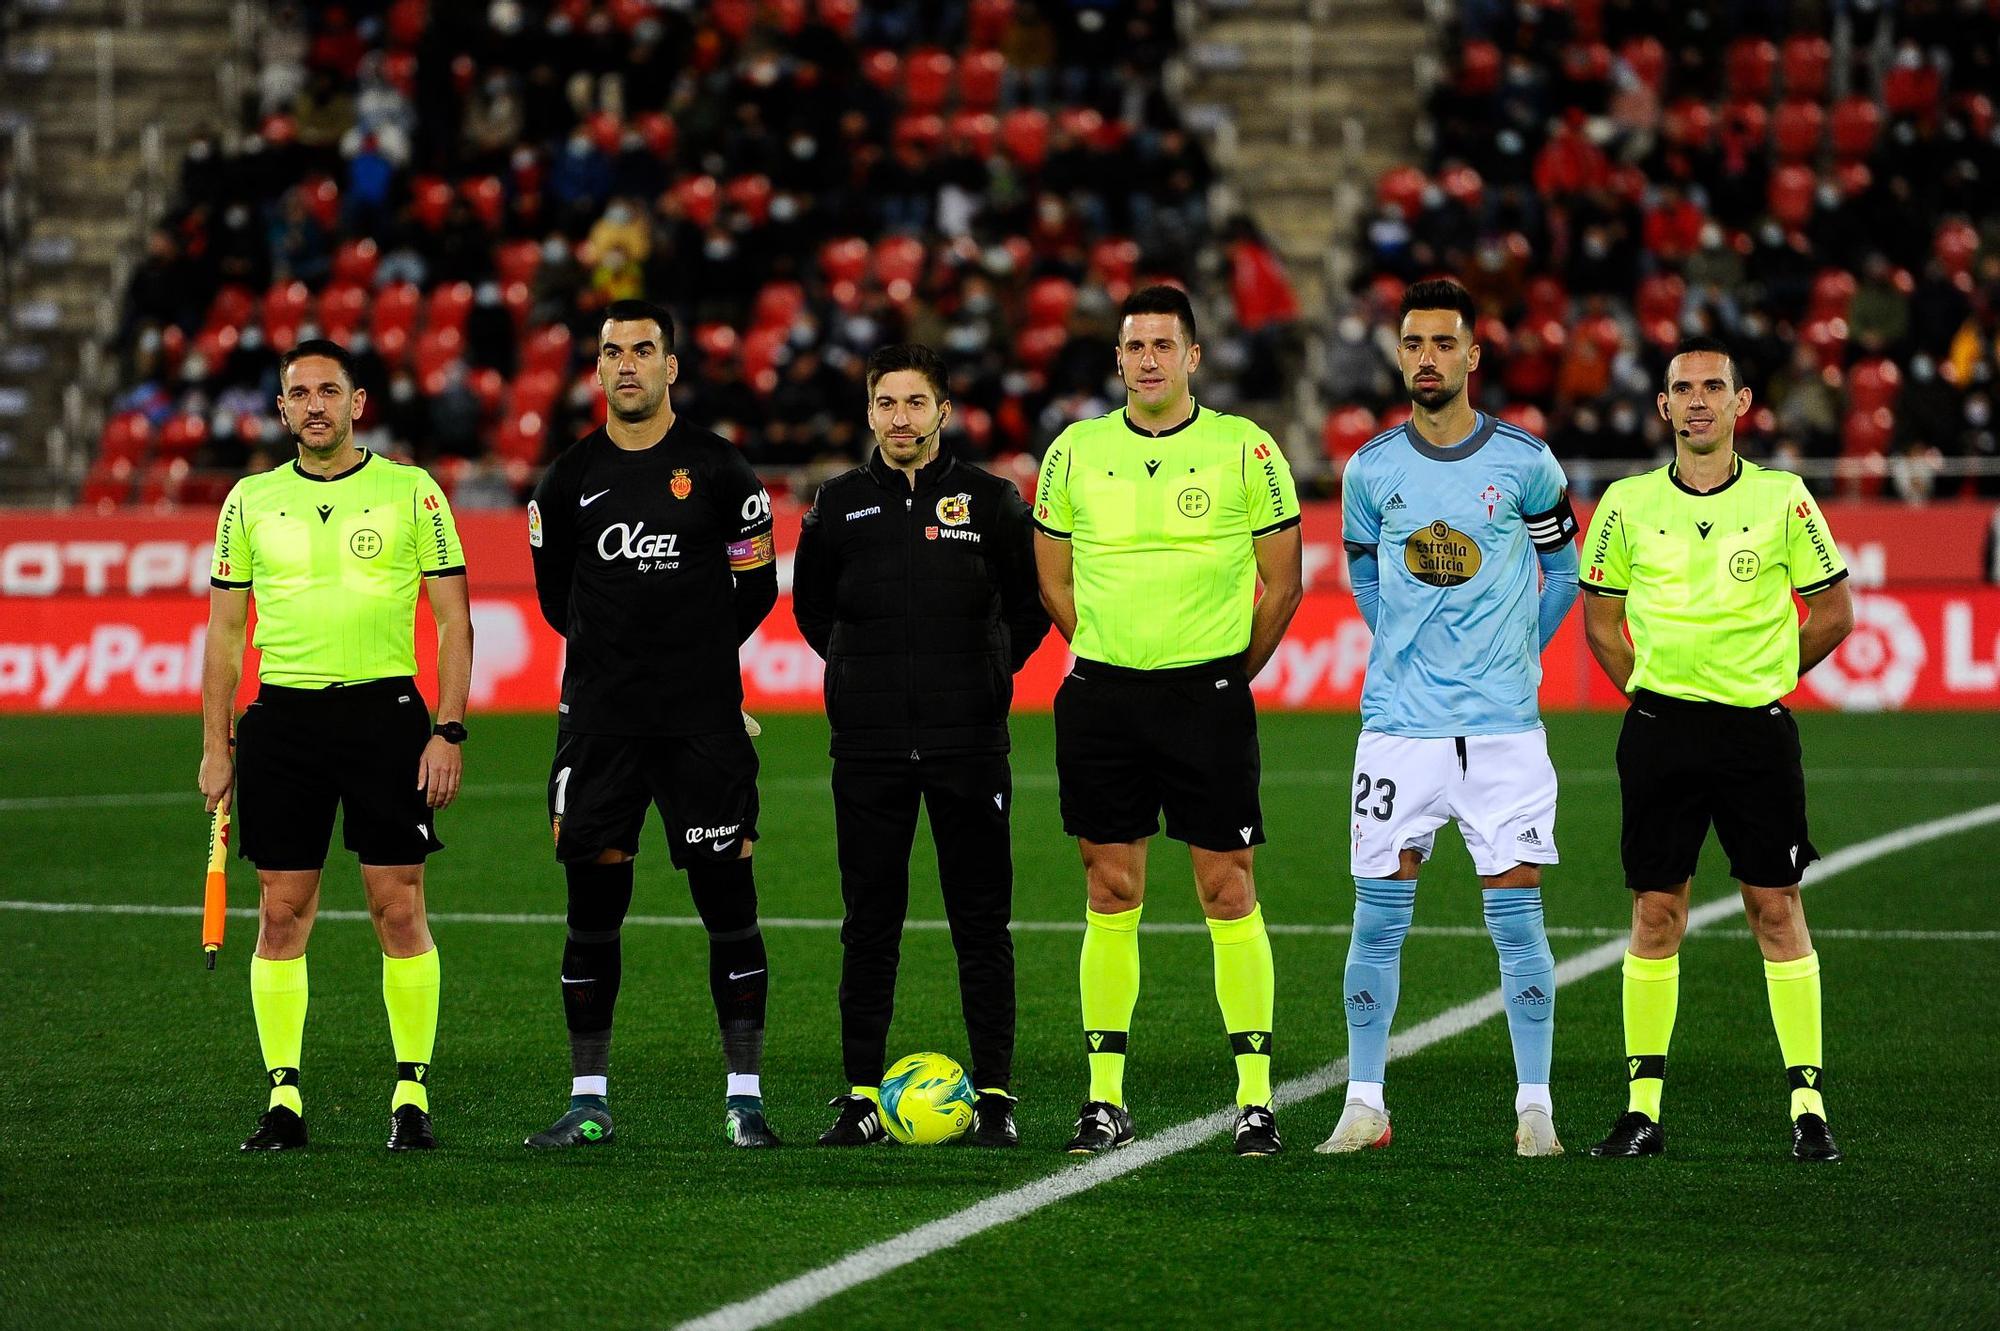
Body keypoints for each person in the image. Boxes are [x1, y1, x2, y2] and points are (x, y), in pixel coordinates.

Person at [1032, 285, 1305, 1157]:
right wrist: (1113, 653)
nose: (1147, 358)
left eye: (1163, 344)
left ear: (1193, 356)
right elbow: (1053, 580)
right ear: (1117, 359)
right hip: (1103, 697)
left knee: (1227, 887)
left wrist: (1226, 673)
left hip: (1207, 699)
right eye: (1133, 345)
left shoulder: (1245, 449)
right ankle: (1103, 1097)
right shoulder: (1074, 452)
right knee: (1109, 889)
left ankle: (1255, 1100)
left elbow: (1284, 582)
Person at [1581, 336, 1855, 1162]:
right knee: (1654, 911)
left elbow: (1834, 612)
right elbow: (1600, 621)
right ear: (1662, 406)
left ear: (1741, 404)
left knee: (1776, 908)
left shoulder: (1784, 498)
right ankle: (1641, 1110)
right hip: (1661, 732)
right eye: (1681, 389)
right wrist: (1652, 691)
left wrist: (1766, 675)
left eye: (1713, 387)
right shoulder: (1626, 503)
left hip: (1754, 733)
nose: (1697, 400)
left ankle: (1808, 1106)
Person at [1323, 279, 1580, 1159]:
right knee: (1377, 918)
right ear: (1399, 355)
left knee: (1518, 920)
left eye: (1443, 343)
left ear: (1474, 354)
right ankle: (1364, 1103)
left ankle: (1535, 1106)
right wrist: (1398, 637)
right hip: (1400, 728)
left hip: (1504, 728)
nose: (1427, 358)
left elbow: (1566, 569)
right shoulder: (1370, 469)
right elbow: (1363, 571)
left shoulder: (1526, 462)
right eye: (1413, 343)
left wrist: (1523, 653)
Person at [199, 338, 473, 1153]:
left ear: (359, 403)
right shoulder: (248, 500)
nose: (313, 404)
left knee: (399, 905)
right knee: (280, 913)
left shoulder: (411, 491)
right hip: (282, 721)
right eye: (297, 392)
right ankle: (284, 1096)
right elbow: (223, 635)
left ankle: (411, 1092)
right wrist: (218, 745)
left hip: (387, 716)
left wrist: (447, 726)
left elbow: (454, 621)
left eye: (329, 390)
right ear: (280, 409)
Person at [523, 299, 782, 1150]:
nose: (627, 363)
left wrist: (694, 666)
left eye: (643, 349)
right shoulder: (564, 482)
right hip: (600, 727)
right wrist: (623, 666)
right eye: (612, 352)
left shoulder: (722, 472)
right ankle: (587, 1097)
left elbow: (756, 589)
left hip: (702, 725)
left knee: (728, 907)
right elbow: (558, 600)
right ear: (595, 370)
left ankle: (745, 1099)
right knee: (593, 911)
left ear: (673, 366)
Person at [793, 344, 1051, 1149]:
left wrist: (987, 674)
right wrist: (856, 675)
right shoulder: (835, 505)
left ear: (943, 410)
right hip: (866, 749)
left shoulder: (992, 499)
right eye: (886, 403)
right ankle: (862, 1093)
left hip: (970, 744)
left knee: (982, 922)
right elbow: (810, 611)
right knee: (869, 922)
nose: (900, 418)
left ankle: (998, 1094)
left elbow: (1032, 605)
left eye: (915, 402)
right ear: (869, 412)